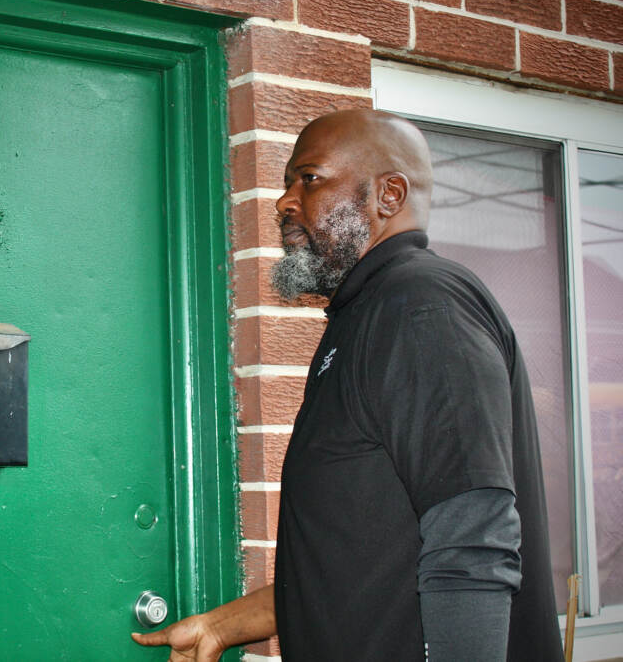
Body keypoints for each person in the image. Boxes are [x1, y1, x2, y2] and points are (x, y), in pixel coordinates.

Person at [132, 109, 565, 661]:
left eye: (308, 179)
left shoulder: (420, 307)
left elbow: (473, 538)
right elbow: (364, 556)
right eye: (289, 182)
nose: (284, 202)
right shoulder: (368, 313)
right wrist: (223, 625)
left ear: (388, 195)